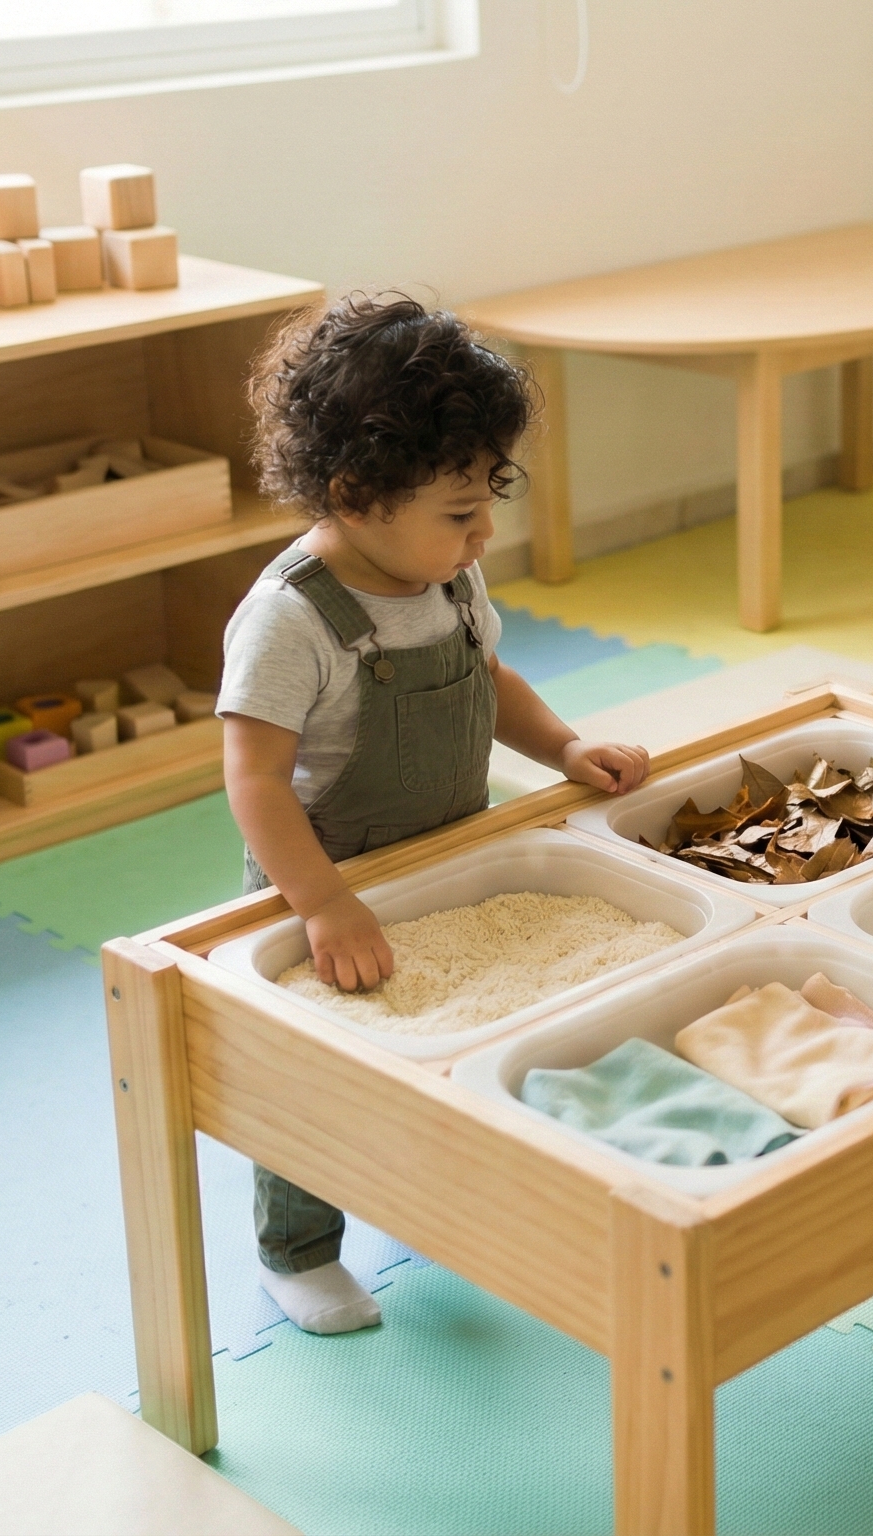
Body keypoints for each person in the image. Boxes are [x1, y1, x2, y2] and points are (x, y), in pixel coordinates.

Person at [218, 293, 651, 1334]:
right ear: (355, 494)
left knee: (461, 1037)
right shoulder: (291, 619)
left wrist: (560, 747)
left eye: (484, 503)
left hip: (448, 857)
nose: (482, 534)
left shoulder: (447, 582)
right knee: (311, 1075)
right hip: (323, 881)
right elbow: (254, 779)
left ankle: (437, 1194)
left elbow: (487, 676)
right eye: (458, 515)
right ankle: (298, 1249)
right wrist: (320, 902)